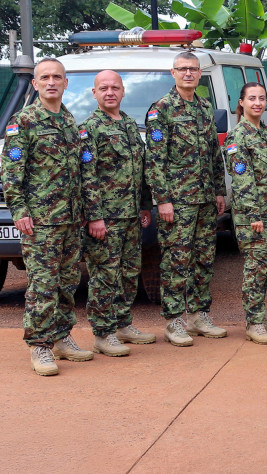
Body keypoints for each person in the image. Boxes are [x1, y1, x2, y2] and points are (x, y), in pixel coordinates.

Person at [3, 58, 90, 375]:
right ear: (36, 84)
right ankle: (40, 347)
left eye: (57, 77)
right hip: (40, 221)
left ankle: (61, 337)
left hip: (69, 218)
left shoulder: (70, 122)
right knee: (42, 286)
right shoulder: (23, 122)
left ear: (66, 83)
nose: (51, 82)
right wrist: (20, 210)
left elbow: (79, 172)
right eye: (45, 77)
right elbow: (11, 174)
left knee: (68, 282)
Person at [145, 51, 227, 346]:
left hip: (205, 198)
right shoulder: (161, 109)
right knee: (176, 262)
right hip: (177, 201)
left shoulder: (205, 107)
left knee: (204, 259)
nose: (189, 74)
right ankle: (174, 321)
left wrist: (219, 190)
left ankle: (199, 315)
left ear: (199, 73)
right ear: (173, 73)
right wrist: (162, 200)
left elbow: (214, 155)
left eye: (193, 69)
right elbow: (154, 160)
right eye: (183, 69)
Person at [80, 70, 156, 357]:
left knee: (128, 272)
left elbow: (141, 169)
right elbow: (86, 176)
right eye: (104, 88)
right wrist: (95, 216)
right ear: (95, 93)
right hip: (106, 218)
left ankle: (123, 323)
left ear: (123, 92)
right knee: (104, 275)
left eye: (115, 87)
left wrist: (145, 205)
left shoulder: (128, 126)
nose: (110, 92)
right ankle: (103, 333)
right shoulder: (90, 128)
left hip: (131, 215)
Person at [225, 82, 267, 345]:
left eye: (262, 98)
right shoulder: (237, 136)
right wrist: (254, 214)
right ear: (241, 102)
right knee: (255, 267)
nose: (257, 103)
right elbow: (242, 180)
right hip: (253, 215)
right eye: (251, 98)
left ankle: (259, 316)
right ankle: (253, 322)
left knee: (265, 266)